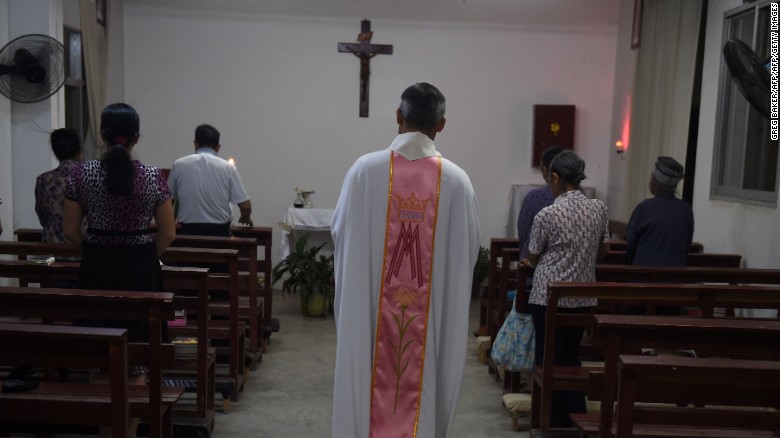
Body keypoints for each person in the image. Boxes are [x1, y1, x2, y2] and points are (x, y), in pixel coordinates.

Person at [331, 82, 480, 438]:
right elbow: (469, 250)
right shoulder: (457, 182)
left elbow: (339, 230)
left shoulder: (364, 171)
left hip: (372, 314)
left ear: (398, 116)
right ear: (442, 124)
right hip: (426, 317)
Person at [63, 102, 176, 438]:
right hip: (139, 269)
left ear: (101, 134)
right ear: (137, 137)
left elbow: (70, 231)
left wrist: (95, 251)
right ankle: (127, 432)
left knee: (100, 354)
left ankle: (105, 432)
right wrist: (143, 254)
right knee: (137, 357)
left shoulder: (81, 174)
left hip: (97, 266)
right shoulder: (154, 176)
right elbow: (168, 233)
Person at [521, 150, 609, 428]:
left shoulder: (548, 213)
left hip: (547, 297)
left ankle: (550, 421)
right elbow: (603, 250)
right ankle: (574, 419)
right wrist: (582, 261)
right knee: (571, 357)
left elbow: (533, 255)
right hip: (582, 297)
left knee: (546, 361)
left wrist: (536, 261)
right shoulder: (599, 209)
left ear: (556, 177)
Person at [167, 124, 253, 237]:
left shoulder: (179, 165)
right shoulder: (228, 168)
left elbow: (167, 201)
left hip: (188, 233)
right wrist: (245, 218)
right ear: (218, 147)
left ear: (195, 143)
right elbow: (246, 206)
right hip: (219, 234)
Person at [627, 156, 694, 267]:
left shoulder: (643, 208)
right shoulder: (685, 210)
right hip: (675, 279)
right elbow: (686, 246)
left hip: (642, 278)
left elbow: (631, 246)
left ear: (654, 182)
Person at [35, 128, 83, 243]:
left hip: (51, 248)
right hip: (83, 248)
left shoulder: (43, 180)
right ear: (79, 150)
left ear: (55, 152)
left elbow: (42, 217)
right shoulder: (89, 177)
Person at [516, 145, 564, 260]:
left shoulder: (534, 197)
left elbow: (523, 229)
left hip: (536, 267)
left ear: (544, 169)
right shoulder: (587, 203)